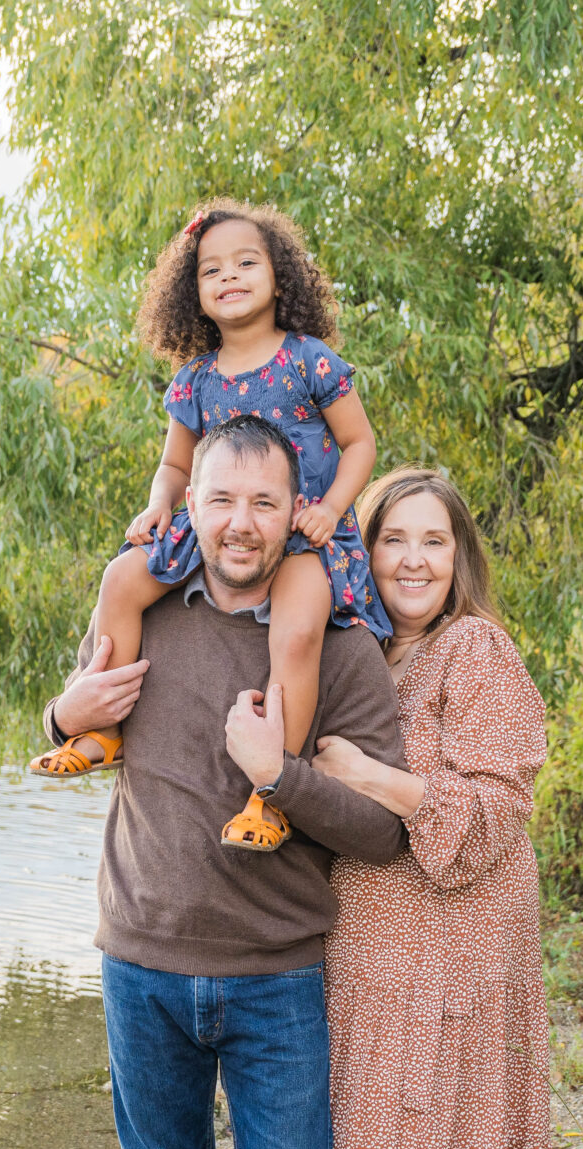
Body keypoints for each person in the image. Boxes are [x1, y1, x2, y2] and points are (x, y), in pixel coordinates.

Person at [41, 413, 409, 1149]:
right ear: (186, 506)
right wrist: (62, 709)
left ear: (294, 510)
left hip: (276, 976)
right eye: (219, 500)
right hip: (141, 965)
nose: (238, 524)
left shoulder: (338, 646)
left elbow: (385, 834)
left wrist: (281, 774)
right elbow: (68, 724)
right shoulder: (146, 610)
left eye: (262, 502)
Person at [298, 467, 558, 1149]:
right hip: (371, 940)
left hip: (454, 938)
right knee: (379, 1141)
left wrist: (368, 778)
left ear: (460, 559)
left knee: (429, 1135)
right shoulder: (367, 650)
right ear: (361, 555)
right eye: (392, 540)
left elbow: (497, 804)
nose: (412, 560)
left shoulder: (473, 648)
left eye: (433, 542)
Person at [30, 200, 388, 855]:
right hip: (214, 529)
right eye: (210, 269)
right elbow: (174, 463)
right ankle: (104, 726)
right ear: (192, 294)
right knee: (123, 576)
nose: (228, 276)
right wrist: (158, 504)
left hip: (303, 532)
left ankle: (271, 789)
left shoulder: (310, 361)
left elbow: (360, 443)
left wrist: (331, 507)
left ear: (280, 277)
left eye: (246, 263)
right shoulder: (195, 380)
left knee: (301, 628)